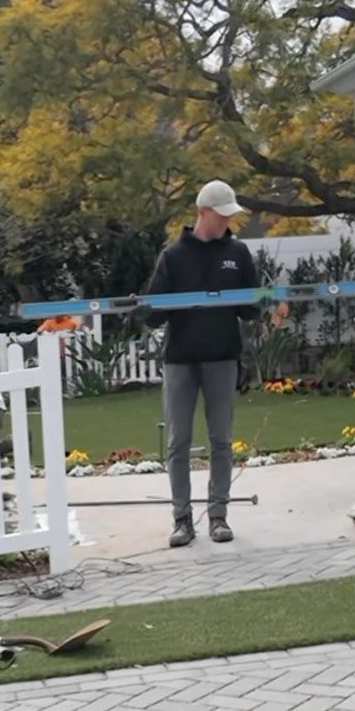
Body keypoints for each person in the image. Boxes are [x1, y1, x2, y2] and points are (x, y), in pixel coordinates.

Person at [143, 180, 259, 548]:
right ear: (203, 213)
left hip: (222, 358)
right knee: (178, 442)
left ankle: (218, 516)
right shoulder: (173, 256)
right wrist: (166, 305)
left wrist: (267, 300)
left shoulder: (238, 253)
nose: (228, 221)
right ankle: (181, 520)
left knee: (221, 440)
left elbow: (250, 308)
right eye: (223, 215)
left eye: (231, 215)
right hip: (180, 361)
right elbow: (151, 315)